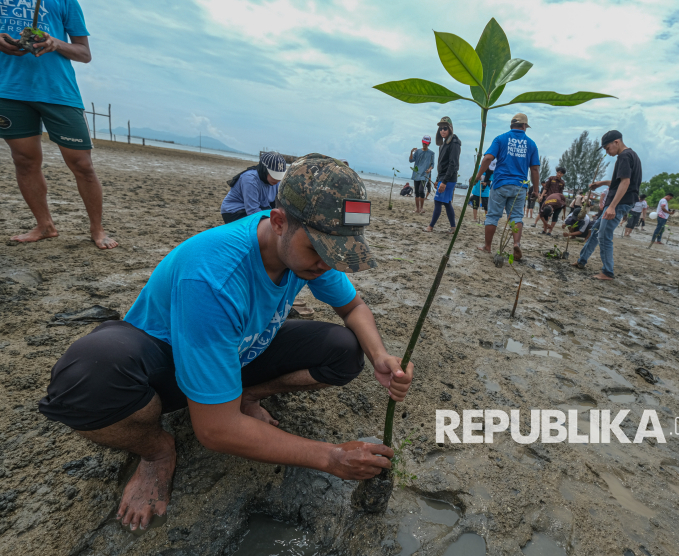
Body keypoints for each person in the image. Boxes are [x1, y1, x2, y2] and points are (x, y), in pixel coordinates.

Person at [38, 155, 414, 532]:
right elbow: (214, 432)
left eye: (338, 256)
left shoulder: (306, 258)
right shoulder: (214, 276)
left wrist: (380, 355)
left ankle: (243, 395)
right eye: (319, 251)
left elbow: (353, 306)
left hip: (238, 351)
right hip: (165, 361)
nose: (325, 265)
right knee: (88, 375)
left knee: (345, 350)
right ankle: (156, 451)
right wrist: (331, 457)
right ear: (279, 222)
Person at [0, 0, 117, 249]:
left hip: (59, 91)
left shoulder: (65, 2)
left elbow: (84, 54)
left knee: (82, 164)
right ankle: (44, 226)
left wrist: (55, 42)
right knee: (24, 161)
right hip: (9, 90)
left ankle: (97, 228)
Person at [571, 130, 641, 280]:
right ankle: (581, 260)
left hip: (620, 203)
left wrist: (612, 206)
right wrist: (601, 183)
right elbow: (619, 182)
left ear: (616, 142)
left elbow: (626, 183)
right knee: (596, 230)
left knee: (604, 235)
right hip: (621, 201)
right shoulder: (632, 155)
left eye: (607, 148)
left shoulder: (624, 156)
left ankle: (607, 272)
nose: (607, 152)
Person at [473, 113, 540, 260]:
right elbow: (534, 169)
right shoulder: (531, 144)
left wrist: (478, 176)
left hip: (501, 184)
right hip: (520, 187)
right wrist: (535, 190)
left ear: (512, 125)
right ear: (524, 126)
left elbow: (488, 158)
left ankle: (487, 246)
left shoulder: (501, 139)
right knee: (516, 216)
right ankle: (516, 243)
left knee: (492, 216)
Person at [220, 151, 286, 223]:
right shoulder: (250, 179)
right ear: (264, 170)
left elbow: (279, 204)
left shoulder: (277, 181)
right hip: (235, 211)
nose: (277, 179)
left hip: (260, 207)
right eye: (274, 175)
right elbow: (252, 211)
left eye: (279, 176)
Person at [424, 117, 460, 233]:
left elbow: (453, 164)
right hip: (444, 177)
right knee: (446, 202)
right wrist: (437, 179)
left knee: (438, 201)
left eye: (445, 128)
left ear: (450, 128)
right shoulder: (444, 144)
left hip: (448, 178)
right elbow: (441, 165)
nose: (442, 131)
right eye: (440, 128)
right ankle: (453, 227)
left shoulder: (454, 143)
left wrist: (444, 182)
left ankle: (430, 226)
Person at [409, 135, 434, 214]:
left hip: (424, 175)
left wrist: (429, 170)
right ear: (422, 142)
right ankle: (417, 209)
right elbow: (411, 160)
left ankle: (421, 208)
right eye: (424, 143)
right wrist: (411, 152)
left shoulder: (431, 153)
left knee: (421, 190)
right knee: (416, 191)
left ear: (429, 143)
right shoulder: (418, 151)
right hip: (416, 174)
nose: (425, 145)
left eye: (426, 143)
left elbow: (432, 165)